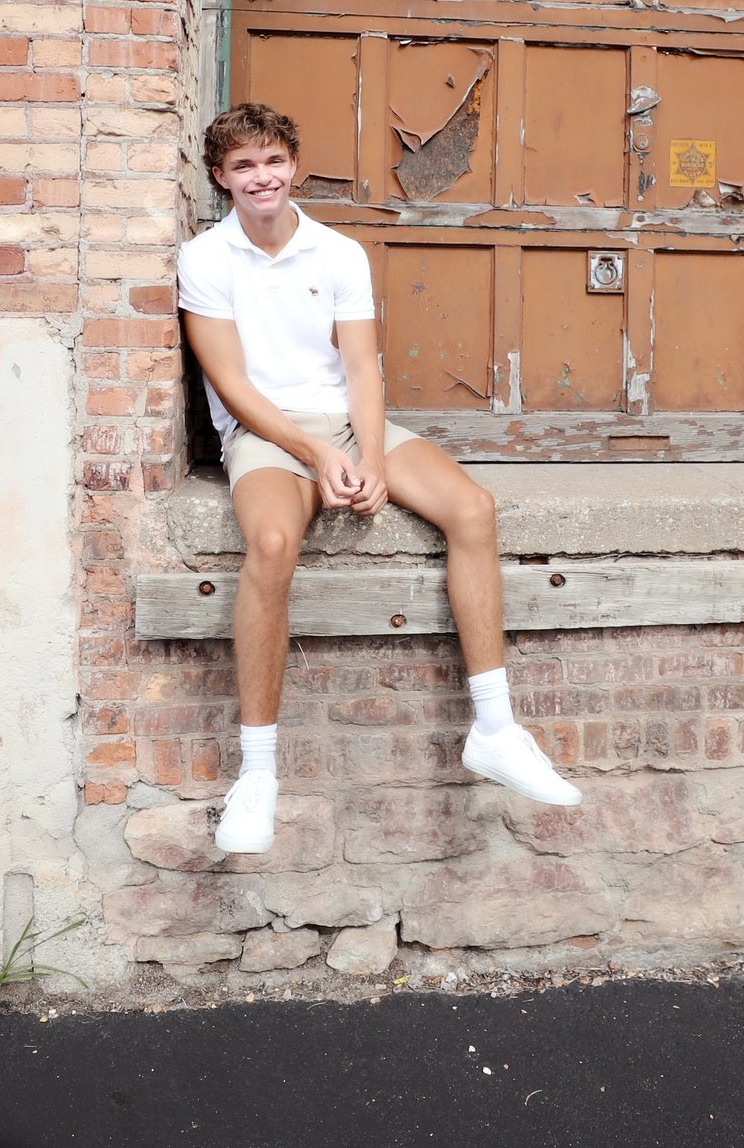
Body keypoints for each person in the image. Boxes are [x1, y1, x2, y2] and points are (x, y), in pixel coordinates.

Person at [176, 102, 580, 854]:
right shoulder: (205, 259)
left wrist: (364, 455)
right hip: (267, 430)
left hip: (344, 420)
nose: (261, 177)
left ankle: (495, 728)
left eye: (272, 161)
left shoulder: (338, 253)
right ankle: (258, 771)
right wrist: (316, 454)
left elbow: (362, 366)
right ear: (220, 178)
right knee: (269, 540)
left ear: (292, 166)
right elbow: (232, 385)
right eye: (243, 166)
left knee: (473, 508)